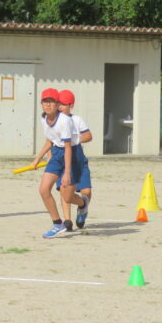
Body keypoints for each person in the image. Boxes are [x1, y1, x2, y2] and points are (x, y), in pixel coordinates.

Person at [29, 88, 88, 239]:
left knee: (67, 196)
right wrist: (38, 158)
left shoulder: (64, 121)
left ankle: (82, 203)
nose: (48, 105)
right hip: (56, 152)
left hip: (73, 154)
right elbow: (50, 140)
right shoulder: (43, 119)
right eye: (45, 102)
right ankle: (57, 224)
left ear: (57, 104)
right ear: (41, 104)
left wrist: (67, 172)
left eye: (52, 102)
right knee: (43, 189)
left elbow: (68, 147)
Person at [58, 90, 93, 230]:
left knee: (87, 191)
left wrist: (75, 139)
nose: (60, 107)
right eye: (58, 103)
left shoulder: (76, 120)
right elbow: (50, 140)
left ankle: (82, 208)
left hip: (78, 160)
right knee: (63, 190)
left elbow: (89, 136)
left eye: (64, 104)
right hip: (62, 162)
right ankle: (67, 221)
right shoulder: (54, 121)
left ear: (71, 105)